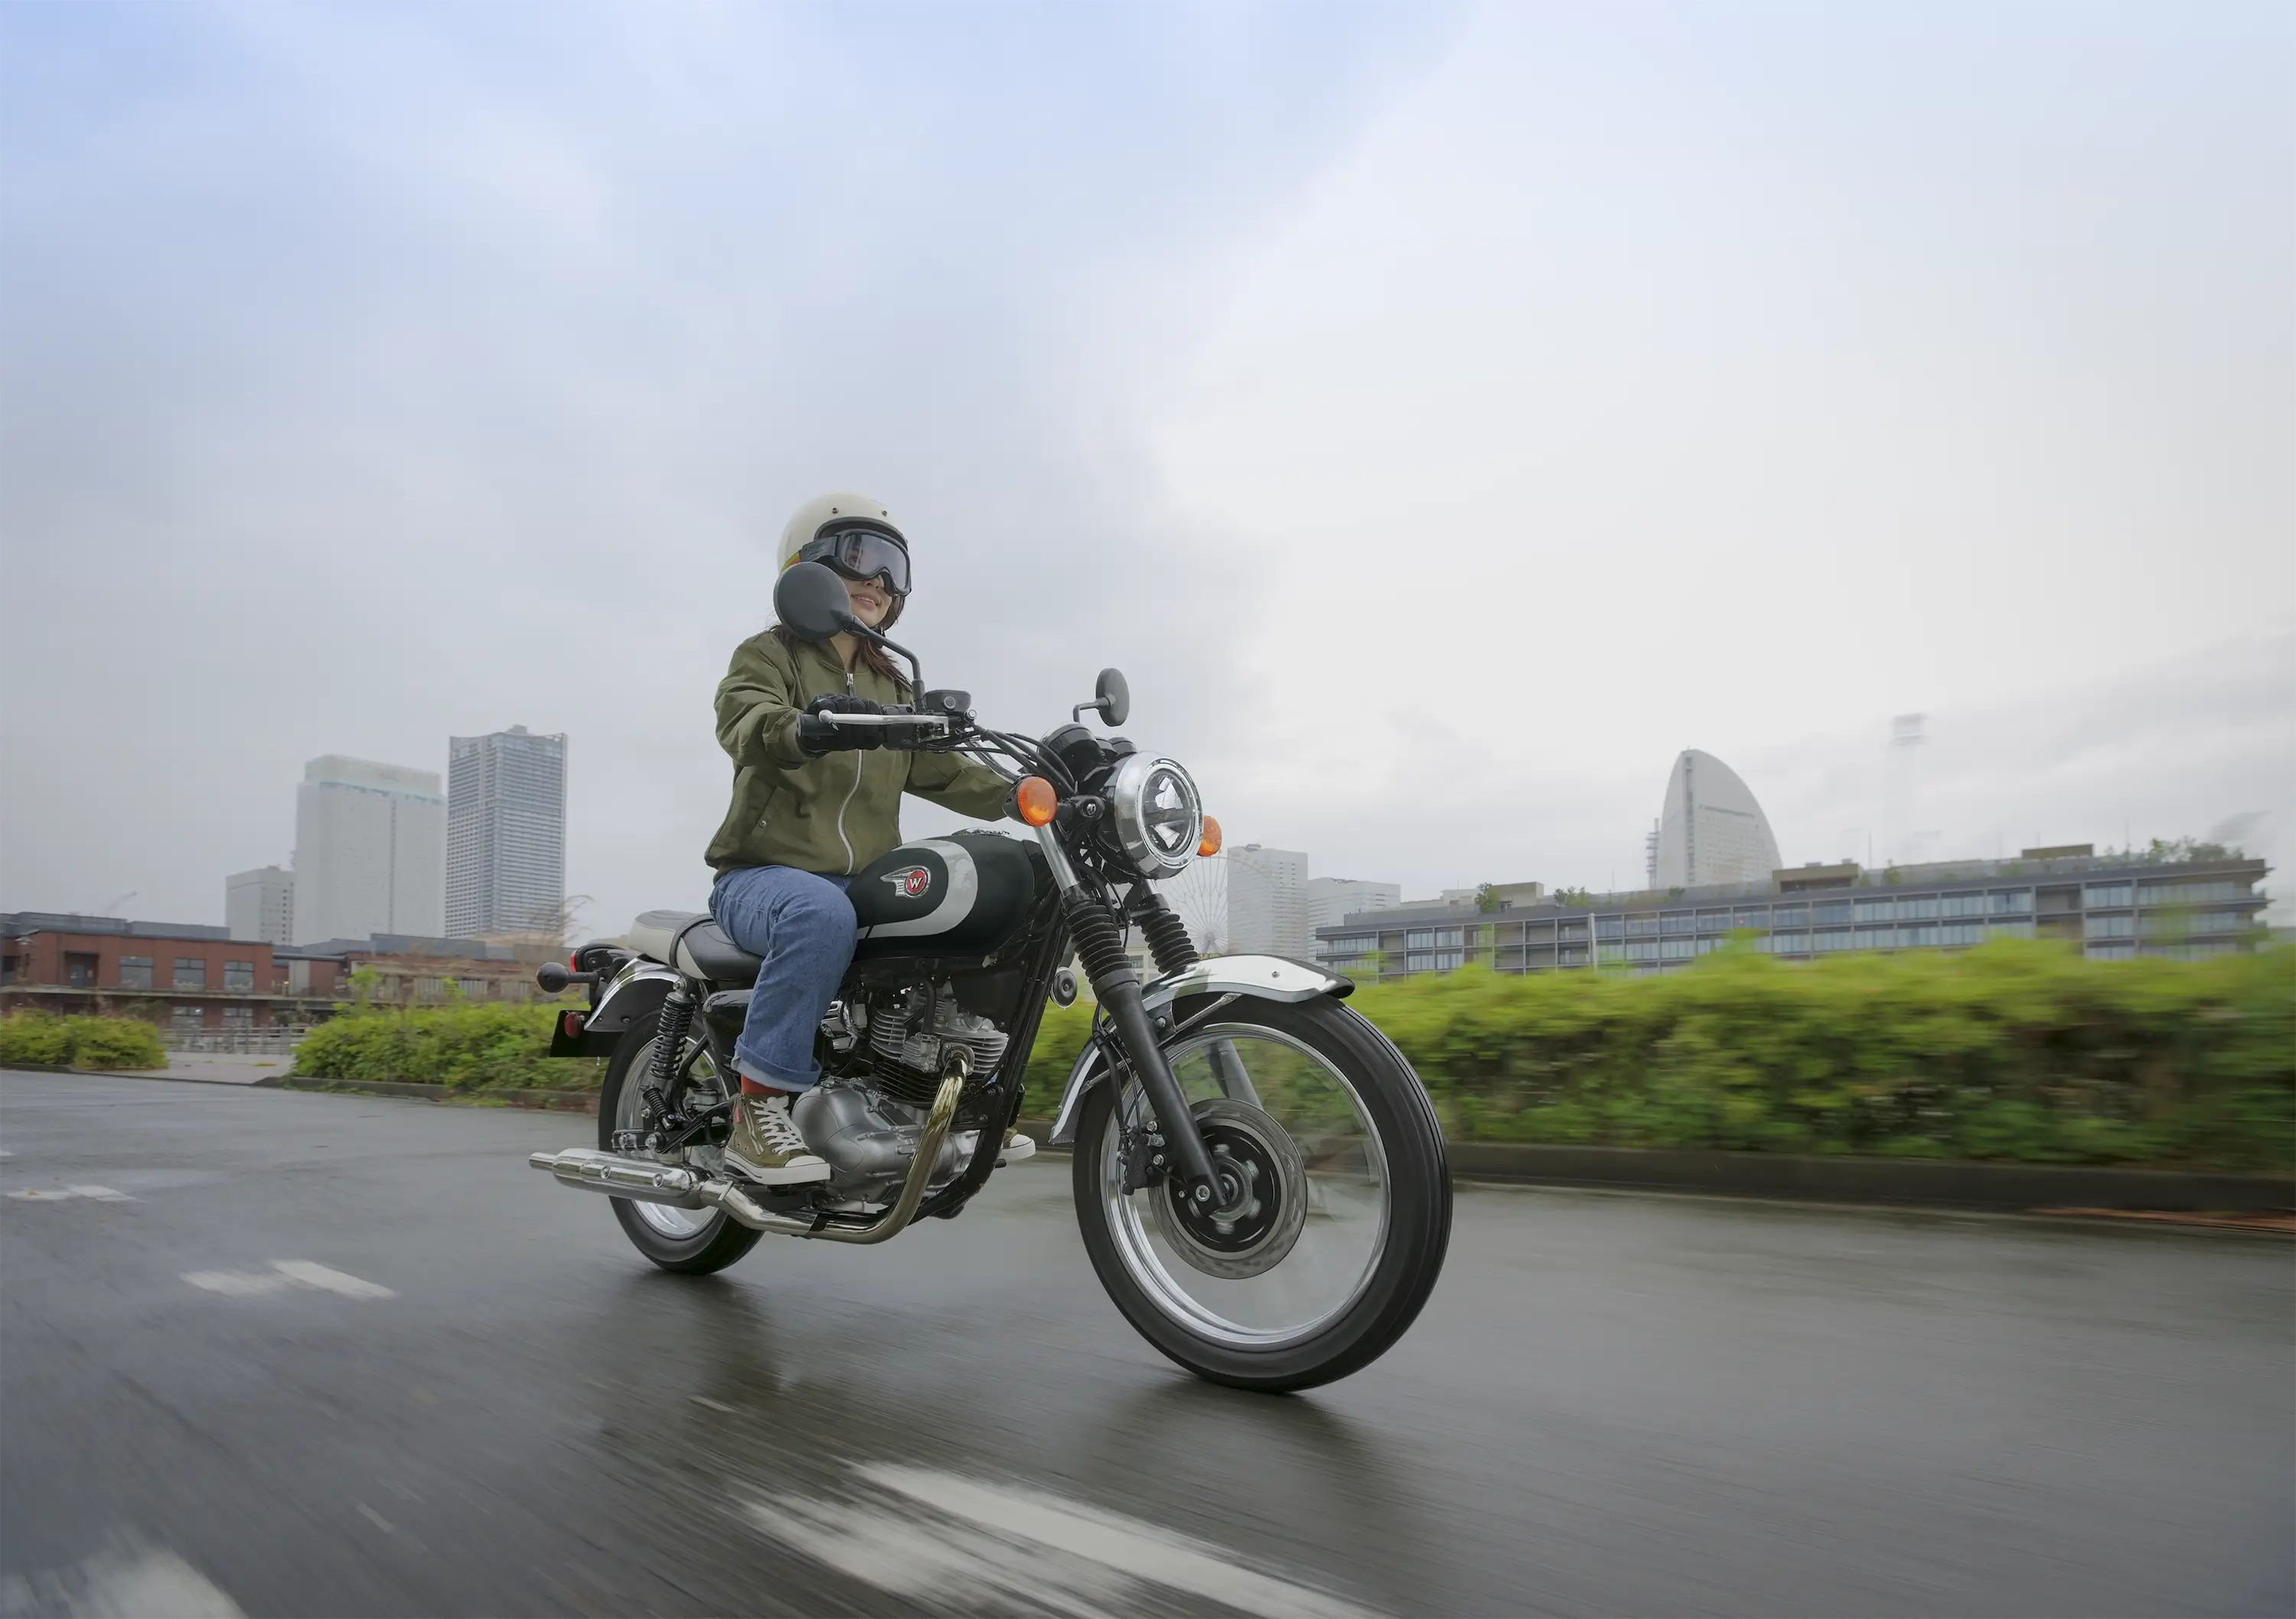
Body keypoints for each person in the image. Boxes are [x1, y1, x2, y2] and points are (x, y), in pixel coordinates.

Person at [703, 492, 1016, 1184]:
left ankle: (932, 1097)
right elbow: (747, 720)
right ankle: (757, 1112)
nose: (876, 578)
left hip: (860, 882)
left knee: (969, 896)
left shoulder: (891, 685)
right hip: (763, 878)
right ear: (808, 565)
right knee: (822, 911)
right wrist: (802, 726)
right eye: (858, 555)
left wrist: (1025, 793)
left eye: (890, 565)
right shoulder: (767, 656)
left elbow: (944, 771)